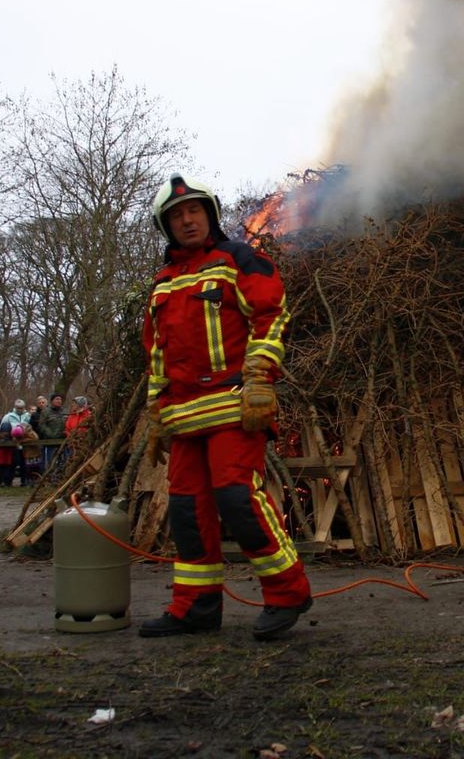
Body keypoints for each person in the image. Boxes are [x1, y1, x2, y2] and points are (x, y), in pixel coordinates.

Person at [139, 174, 312, 641]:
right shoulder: (162, 283)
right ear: (166, 226)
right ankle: (195, 606)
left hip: (234, 407)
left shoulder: (237, 259)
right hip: (182, 417)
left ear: (210, 214)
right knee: (186, 511)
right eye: (177, 215)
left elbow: (271, 315)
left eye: (194, 211)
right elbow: (156, 353)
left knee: (238, 499)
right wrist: (156, 411)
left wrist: (259, 378)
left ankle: (287, 592)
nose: (187, 220)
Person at [37, 393, 68, 474]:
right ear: (52, 401)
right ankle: (50, 477)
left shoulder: (64, 411)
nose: (59, 401)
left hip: (63, 441)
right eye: (57, 399)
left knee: (63, 461)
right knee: (51, 462)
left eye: (60, 399)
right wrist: (50, 434)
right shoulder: (46, 411)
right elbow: (41, 425)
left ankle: (60, 478)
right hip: (50, 441)